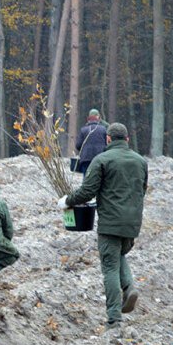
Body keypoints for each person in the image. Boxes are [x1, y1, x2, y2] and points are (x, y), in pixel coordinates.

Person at [59, 123, 148, 330]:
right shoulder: (141, 161)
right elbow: (142, 190)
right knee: (118, 255)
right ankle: (129, 288)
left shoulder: (102, 160)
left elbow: (87, 192)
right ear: (127, 140)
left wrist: (67, 201)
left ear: (108, 139)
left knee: (109, 266)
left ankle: (114, 318)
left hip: (110, 223)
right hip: (133, 223)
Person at [75, 109, 108, 175]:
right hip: (100, 159)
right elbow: (107, 144)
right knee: (100, 178)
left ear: (88, 119)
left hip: (86, 159)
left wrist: (84, 150)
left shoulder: (83, 130)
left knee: (86, 179)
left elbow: (78, 145)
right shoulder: (103, 129)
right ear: (98, 118)